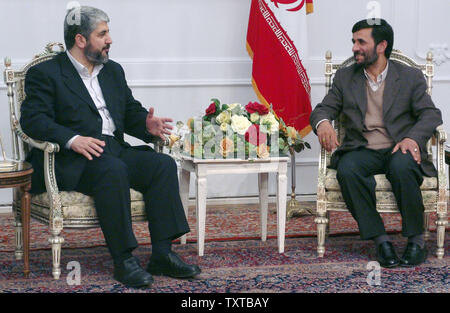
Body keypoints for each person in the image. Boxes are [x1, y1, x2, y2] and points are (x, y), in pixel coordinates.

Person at [20, 6, 201, 288]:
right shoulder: (46, 73)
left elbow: (128, 111)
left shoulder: (112, 71)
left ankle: (163, 254)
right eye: (102, 34)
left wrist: (145, 125)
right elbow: (33, 120)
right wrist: (72, 139)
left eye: (108, 33)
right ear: (81, 40)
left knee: (162, 165)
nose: (110, 39)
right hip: (74, 157)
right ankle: (124, 260)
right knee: (112, 169)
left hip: (112, 149)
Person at [310, 19, 442, 268]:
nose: (354, 48)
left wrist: (412, 138)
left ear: (381, 45)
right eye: (353, 42)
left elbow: (431, 114)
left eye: (361, 42)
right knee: (347, 169)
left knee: (403, 166)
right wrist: (324, 123)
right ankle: (381, 241)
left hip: (397, 147)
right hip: (362, 149)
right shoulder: (345, 76)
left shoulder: (410, 76)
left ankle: (416, 241)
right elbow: (322, 109)